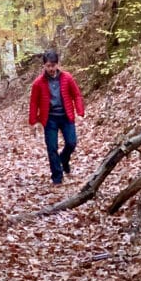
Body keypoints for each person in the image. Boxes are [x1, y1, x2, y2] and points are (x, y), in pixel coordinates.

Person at [29, 49, 85, 186]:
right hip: (49, 119)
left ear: (57, 64)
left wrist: (80, 112)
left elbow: (76, 95)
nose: (51, 69)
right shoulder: (38, 83)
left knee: (71, 143)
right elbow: (34, 102)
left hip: (66, 116)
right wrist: (33, 121)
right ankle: (57, 177)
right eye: (48, 66)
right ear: (44, 66)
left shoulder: (67, 78)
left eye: (53, 65)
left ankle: (64, 160)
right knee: (52, 147)